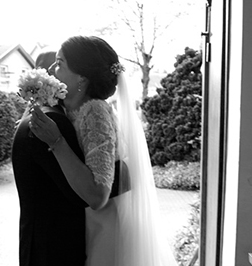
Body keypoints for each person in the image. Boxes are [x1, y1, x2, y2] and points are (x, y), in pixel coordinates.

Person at [29, 36, 177, 266]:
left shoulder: (95, 113)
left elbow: (98, 196)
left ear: (82, 78)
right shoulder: (73, 107)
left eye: (60, 63)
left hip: (105, 228)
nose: (51, 69)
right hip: (85, 224)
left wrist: (56, 141)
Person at [11, 50, 88, 266]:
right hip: (55, 248)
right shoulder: (52, 122)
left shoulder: (36, 115)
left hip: (39, 242)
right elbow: (79, 193)